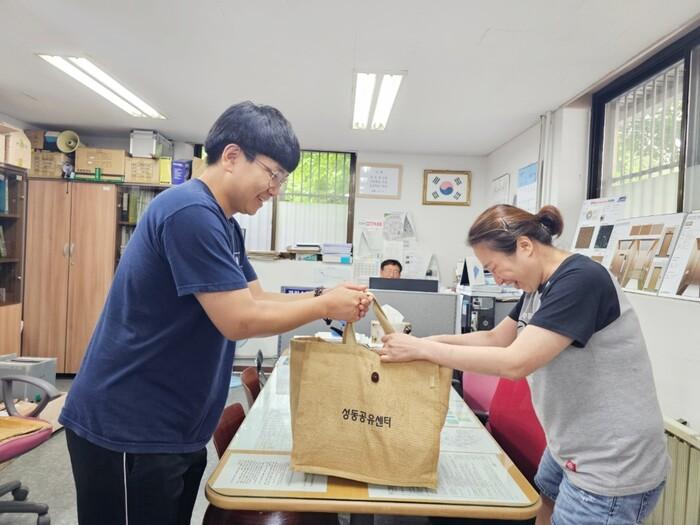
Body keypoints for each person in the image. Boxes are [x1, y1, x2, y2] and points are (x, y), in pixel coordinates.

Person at [59, 101, 371, 525]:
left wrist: (324, 295)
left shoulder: (224, 224)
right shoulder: (190, 212)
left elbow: (257, 299)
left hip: (173, 426)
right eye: (273, 174)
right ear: (232, 156)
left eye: (282, 179)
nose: (275, 190)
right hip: (131, 426)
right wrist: (324, 306)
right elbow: (239, 320)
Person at [379, 204, 669, 524]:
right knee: (543, 507)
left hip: (610, 460)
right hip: (567, 446)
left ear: (525, 246)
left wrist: (423, 350)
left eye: (494, 267)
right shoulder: (537, 288)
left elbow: (514, 363)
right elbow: (495, 339)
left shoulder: (581, 280)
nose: (497, 280)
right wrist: (426, 341)